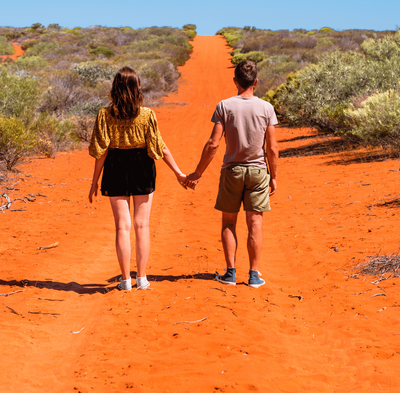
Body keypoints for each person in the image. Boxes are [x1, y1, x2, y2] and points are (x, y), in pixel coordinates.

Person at [88, 66, 187, 291]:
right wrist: (178, 173)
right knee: (142, 225)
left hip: (114, 167)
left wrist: (94, 182)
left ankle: (125, 280)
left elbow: (101, 151)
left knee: (122, 227)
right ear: (137, 88)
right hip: (142, 166)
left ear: (115, 88)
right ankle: (141, 278)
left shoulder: (104, 115)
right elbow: (159, 147)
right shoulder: (147, 115)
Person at [185, 60, 278, 288]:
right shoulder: (267, 108)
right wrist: (273, 176)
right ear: (256, 82)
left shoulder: (224, 107)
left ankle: (230, 273)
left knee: (229, 220)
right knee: (255, 222)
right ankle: (254, 275)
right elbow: (272, 148)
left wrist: (198, 173)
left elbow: (213, 144)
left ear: (235, 81)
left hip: (232, 170)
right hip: (258, 171)